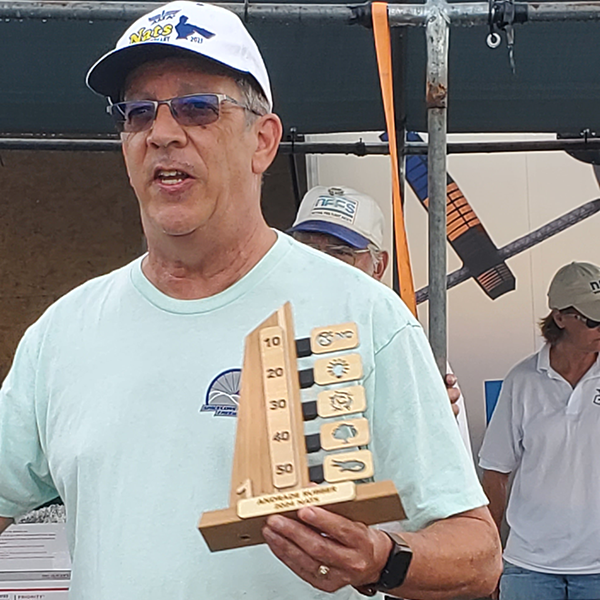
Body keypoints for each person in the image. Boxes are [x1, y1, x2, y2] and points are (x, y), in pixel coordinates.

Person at [0, 2, 501, 599]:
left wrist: (380, 559)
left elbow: (477, 554)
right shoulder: (63, 335)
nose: (162, 132)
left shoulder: (363, 316)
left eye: (196, 108)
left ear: (263, 141)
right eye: (138, 113)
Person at [289, 185, 472, 451]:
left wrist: (424, 421)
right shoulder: (264, 331)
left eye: (340, 252)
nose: (320, 265)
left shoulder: (406, 343)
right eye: (306, 249)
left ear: (379, 266)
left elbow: (445, 468)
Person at [479, 261, 600, 600]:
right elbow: (495, 473)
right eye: (592, 320)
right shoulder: (522, 381)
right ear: (560, 318)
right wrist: (488, 555)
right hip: (528, 566)